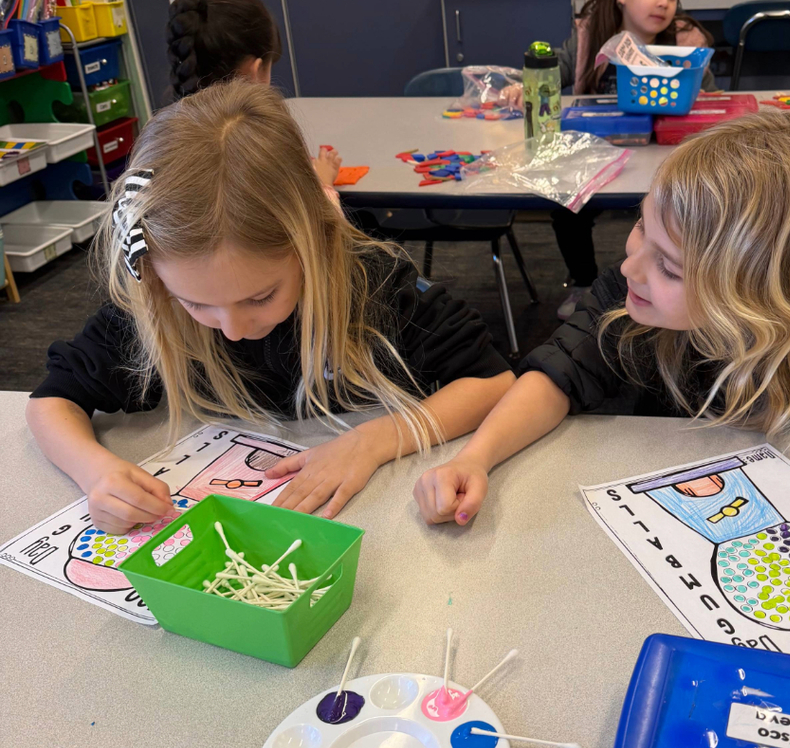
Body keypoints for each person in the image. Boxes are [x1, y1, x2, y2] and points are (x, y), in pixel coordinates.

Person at [413, 110, 790, 549]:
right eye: (638, 231)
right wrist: (477, 457)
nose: (630, 267)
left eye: (670, 265)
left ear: (757, 298)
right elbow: (559, 373)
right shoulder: (633, 299)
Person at [26, 82, 515, 535]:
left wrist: (373, 441)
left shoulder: (374, 286)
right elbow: (51, 401)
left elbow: (493, 380)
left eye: (260, 297)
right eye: (196, 302)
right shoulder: (153, 310)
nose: (234, 329)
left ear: (312, 246)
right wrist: (96, 471)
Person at [513, 0, 715, 319]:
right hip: (597, 154)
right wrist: (523, 86)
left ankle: (675, 283)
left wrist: (702, 89)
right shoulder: (590, 38)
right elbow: (553, 73)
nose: (665, 2)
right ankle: (583, 282)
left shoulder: (684, 43)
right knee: (566, 205)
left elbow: (710, 96)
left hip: (663, 158)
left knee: (677, 216)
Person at [166, 0, 339, 187]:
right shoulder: (257, 149)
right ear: (254, 72)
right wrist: (322, 184)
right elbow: (307, 218)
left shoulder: (160, 142)